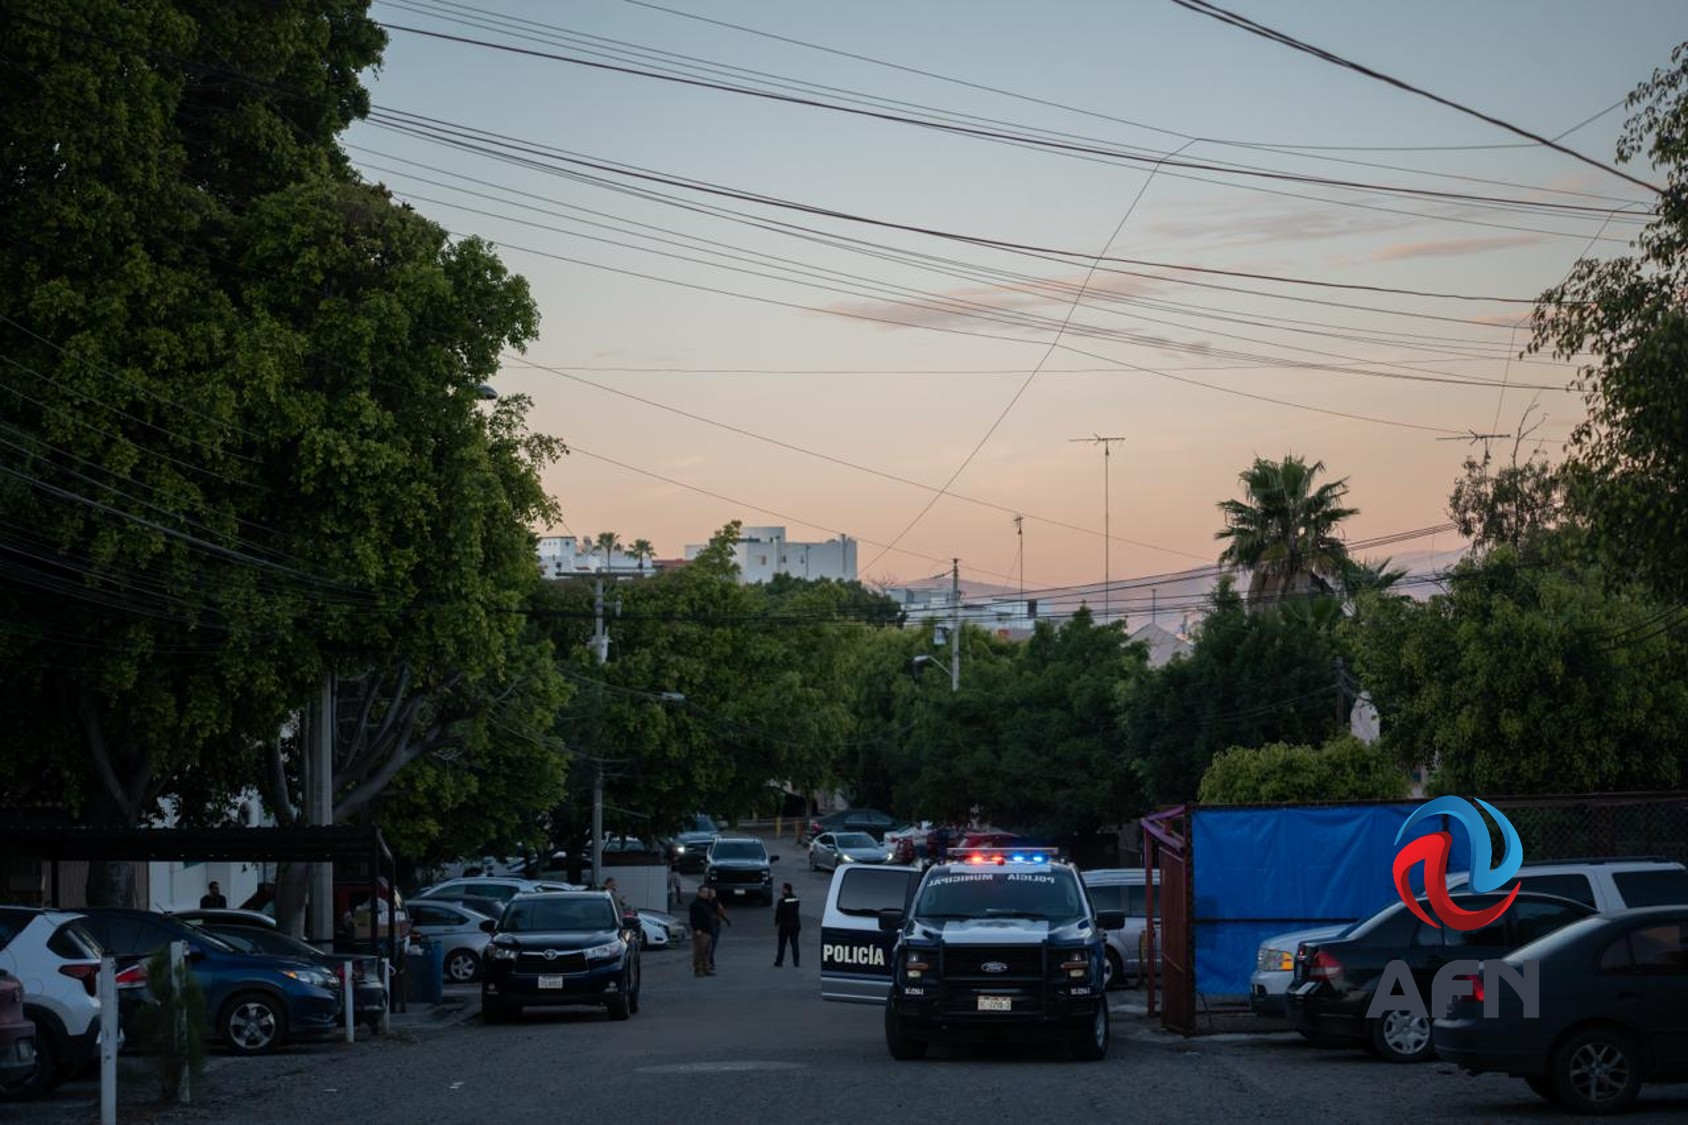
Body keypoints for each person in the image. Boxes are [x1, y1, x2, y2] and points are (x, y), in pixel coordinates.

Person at [688, 888, 716, 977]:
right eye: (703, 892)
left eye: (707, 892)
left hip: (708, 931)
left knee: (707, 951)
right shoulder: (696, 904)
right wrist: (696, 929)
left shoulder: (708, 903)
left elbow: (715, 908)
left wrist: (713, 897)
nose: (706, 894)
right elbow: (693, 918)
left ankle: (706, 968)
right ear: (699, 892)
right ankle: (698, 970)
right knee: (699, 951)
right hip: (701, 931)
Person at [772, 882, 801, 968]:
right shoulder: (796, 900)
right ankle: (796, 962)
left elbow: (778, 913)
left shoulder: (781, 901)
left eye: (782, 889)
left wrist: (776, 922)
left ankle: (779, 961)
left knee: (782, 945)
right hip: (795, 925)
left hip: (784, 926)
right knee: (795, 944)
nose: (781, 890)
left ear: (786, 890)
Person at [707, 887, 731, 970]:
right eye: (712, 893)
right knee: (712, 944)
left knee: (713, 944)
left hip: (716, 924)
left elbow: (721, 913)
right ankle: (709, 960)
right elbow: (720, 912)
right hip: (712, 925)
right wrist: (726, 920)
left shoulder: (714, 902)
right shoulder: (712, 903)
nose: (713, 894)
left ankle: (710, 960)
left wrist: (726, 920)